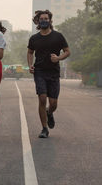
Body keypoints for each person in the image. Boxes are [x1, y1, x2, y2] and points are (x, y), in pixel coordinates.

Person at [27, 10, 70, 138]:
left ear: (50, 21)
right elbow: (30, 52)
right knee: (42, 98)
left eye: (46, 18)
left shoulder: (58, 36)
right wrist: (30, 65)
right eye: (41, 19)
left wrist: (58, 58)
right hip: (39, 71)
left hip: (53, 73)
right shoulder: (34, 38)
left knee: (53, 103)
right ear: (38, 21)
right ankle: (44, 128)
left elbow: (67, 51)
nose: (44, 20)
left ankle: (49, 113)